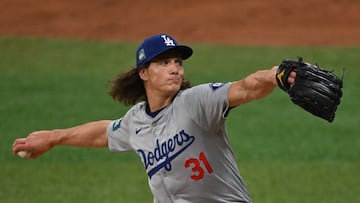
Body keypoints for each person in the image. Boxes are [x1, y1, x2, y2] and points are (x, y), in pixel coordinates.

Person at [12, 34, 296, 203]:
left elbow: (244, 88)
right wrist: (53, 137)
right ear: (144, 73)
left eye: (178, 62)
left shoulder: (196, 102)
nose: (175, 69)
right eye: (164, 62)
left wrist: (274, 75)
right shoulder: (136, 121)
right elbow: (104, 133)